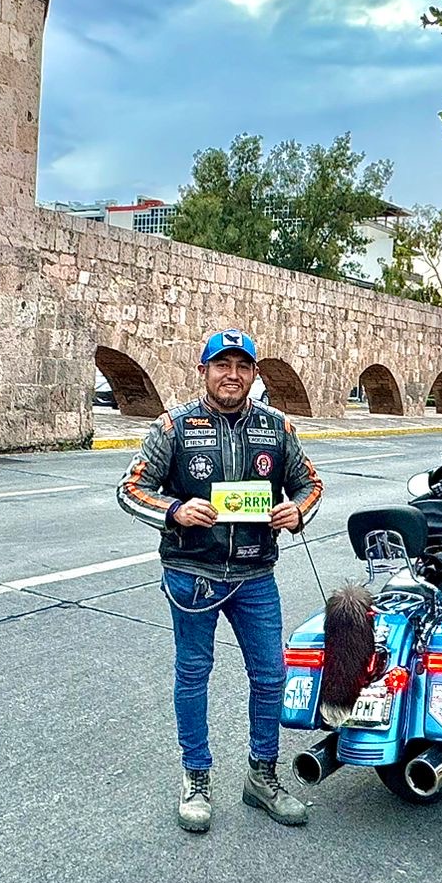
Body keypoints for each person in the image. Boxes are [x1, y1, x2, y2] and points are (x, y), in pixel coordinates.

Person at [117, 328, 324, 833]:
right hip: (192, 575)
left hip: (255, 574)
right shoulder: (176, 428)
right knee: (193, 675)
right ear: (204, 370)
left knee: (271, 675)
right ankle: (195, 777)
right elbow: (130, 487)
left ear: (254, 374)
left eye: (242, 367)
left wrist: (296, 512)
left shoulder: (277, 428)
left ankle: (262, 776)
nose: (232, 375)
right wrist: (174, 509)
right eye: (222, 366)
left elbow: (310, 484)